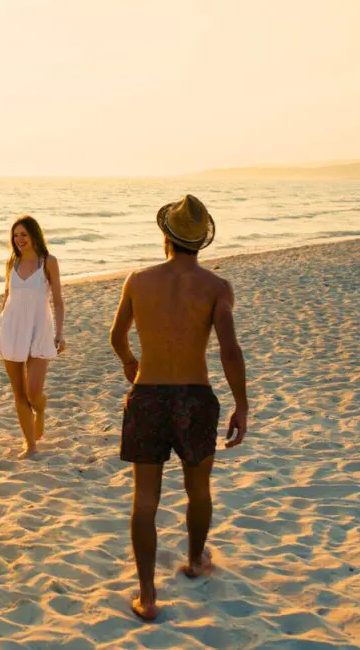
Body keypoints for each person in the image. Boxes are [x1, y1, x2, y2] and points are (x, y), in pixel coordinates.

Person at [109, 194, 248, 621]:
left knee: (145, 500)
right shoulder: (216, 288)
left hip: (147, 396)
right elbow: (229, 350)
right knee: (198, 491)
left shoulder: (138, 280)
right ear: (201, 242)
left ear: (165, 236)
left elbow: (116, 337)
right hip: (194, 397)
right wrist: (241, 405)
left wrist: (132, 364)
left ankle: (148, 595)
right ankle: (193, 560)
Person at [0, 216, 66, 458]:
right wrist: (2, 324)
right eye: (16, 235)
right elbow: (7, 296)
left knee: (34, 392)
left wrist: (60, 334)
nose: (19, 239)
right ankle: (30, 445)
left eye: (24, 234)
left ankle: (41, 412)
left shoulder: (48, 262)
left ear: (34, 234)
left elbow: (57, 300)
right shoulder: (11, 262)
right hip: (12, 329)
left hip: (39, 331)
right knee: (19, 393)